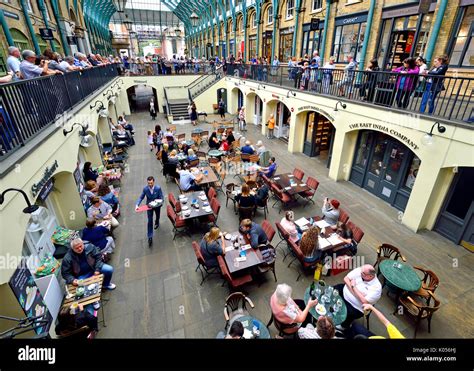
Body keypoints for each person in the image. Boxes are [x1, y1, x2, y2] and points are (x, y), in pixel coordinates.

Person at [333, 265, 382, 330]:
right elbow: (346, 279)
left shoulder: (377, 288)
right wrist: (358, 294)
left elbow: (364, 301)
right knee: (333, 289)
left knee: (348, 314)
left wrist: (354, 286)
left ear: (370, 276)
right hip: (344, 291)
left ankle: (344, 326)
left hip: (356, 307)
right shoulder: (361, 271)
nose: (360, 273)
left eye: (363, 273)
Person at [135, 176, 164, 246]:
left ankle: (157, 222)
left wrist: (159, 201)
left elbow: (162, 198)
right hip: (149, 207)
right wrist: (137, 205)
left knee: (157, 216)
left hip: (157, 206)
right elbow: (141, 197)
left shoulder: (158, 188)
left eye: (151, 183)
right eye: (148, 183)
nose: (150, 185)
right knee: (149, 221)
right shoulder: (145, 189)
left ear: (154, 182)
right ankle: (150, 236)